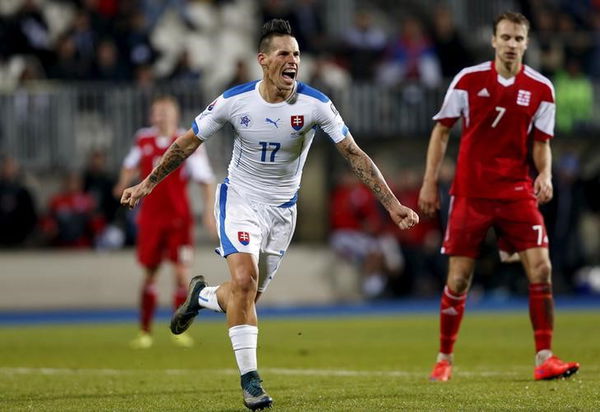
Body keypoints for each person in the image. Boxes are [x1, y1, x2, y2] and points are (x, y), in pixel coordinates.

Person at [120, 19, 418, 411]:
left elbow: (354, 155)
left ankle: (203, 296)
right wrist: (148, 183)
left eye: (296, 54)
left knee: (245, 297)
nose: (292, 60)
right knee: (245, 282)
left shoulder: (316, 105)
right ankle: (251, 382)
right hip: (239, 199)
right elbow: (186, 143)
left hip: (282, 214)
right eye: (284, 53)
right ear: (263, 60)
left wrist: (392, 203)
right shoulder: (234, 101)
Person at [418, 11, 580, 382]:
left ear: (527, 43)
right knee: (459, 278)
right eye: (505, 37)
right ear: (493, 41)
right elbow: (441, 132)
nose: (511, 44)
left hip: (516, 191)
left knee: (542, 268)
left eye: (518, 39)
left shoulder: (542, 89)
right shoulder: (468, 80)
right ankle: (444, 358)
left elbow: (541, 142)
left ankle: (544, 357)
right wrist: (429, 183)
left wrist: (545, 174)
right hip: (471, 193)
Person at [114, 95, 216, 349]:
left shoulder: (187, 142)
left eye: (166, 112)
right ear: (152, 116)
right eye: (157, 112)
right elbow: (130, 164)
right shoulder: (143, 139)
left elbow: (205, 179)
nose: (161, 116)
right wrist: (122, 183)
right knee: (150, 274)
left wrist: (207, 212)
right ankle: (145, 331)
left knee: (182, 275)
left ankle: (179, 331)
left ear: (175, 115)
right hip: (150, 219)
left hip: (179, 220)